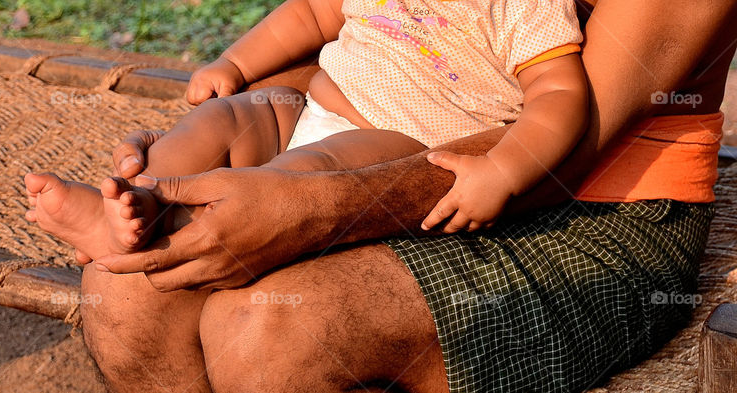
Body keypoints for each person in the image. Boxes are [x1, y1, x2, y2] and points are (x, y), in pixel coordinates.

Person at [72, 0, 736, 392]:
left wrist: (308, 206)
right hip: (392, 142)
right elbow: (387, 41)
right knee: (126, 290)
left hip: (592, 209)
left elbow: (569, 140)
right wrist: (224, 124)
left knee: (273, 330)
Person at [24, 0, 588, 263]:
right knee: (221, 120)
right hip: (308, 104)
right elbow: (311, 15)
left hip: (396, 141)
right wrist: (235, 66)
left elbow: (560, 94)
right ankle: (132, 203)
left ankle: (173, 230)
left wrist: (505, 170)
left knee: (298, 179)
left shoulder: (530, 5)